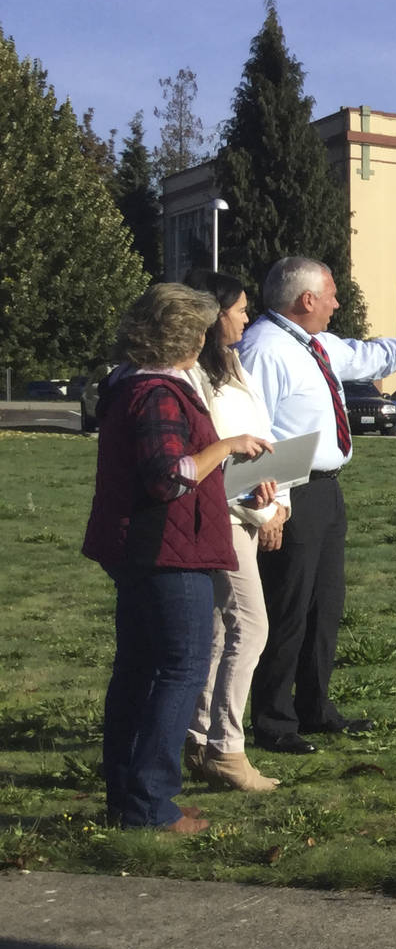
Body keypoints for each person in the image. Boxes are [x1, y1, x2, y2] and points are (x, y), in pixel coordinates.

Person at [238, 256, 396, 755]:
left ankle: (315, 708)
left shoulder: (313, 344)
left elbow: (367, 356)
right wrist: (271, 506)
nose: (338, 303)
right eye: (332, 294)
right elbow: (257, 433)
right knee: (287, 607)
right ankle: (273, 719)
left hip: (327, 490)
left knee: (324, 606)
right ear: (306, 299)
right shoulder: (264, 351)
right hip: (290, 494)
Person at [82, 284, 274, 833]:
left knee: (139, 671)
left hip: (146, 547)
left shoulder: (127, 385)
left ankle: (128, 797)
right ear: (188, 336)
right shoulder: (160, 393)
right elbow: (170, 477)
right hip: (166, 550)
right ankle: (150, 805)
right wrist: (229, 446)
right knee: (179, 669)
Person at [181, 270, 285, 792]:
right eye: (241, 309)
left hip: (245, 508)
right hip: (218, 514)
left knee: (223, 630)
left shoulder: (233, 364)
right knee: (252, 624)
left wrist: (274, 502)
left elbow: (261, 437)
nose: (247, 317)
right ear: (214, 313)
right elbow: (211, 453)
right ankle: (227, 746)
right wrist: (257, 501)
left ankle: (198, 737)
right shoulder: (193, 379)